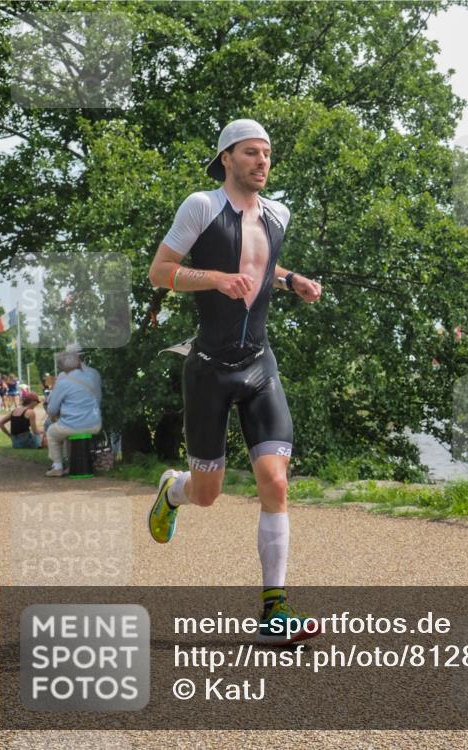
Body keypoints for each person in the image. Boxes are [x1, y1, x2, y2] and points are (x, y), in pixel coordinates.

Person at [147, 119, 322, 646]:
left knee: (275, 481)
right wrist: (215, 279)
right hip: (208, 369)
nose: (262, 162)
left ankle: (274, 612)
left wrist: (291, 280)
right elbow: (161, 271)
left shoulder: (279, 214)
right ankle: (172, 491)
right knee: (208, 494)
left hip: (258, 365)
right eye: (250, 153)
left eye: (267, 154)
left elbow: (261, 263)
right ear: (227, 158)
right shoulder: (201, 206)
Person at [44, 350, 102, 477]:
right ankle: (72, 465)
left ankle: (58, 466)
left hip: (74, 425)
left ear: (62, 367)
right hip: (95, 423)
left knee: (52, 432)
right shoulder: (90, 378)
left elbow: (52, 409)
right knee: (66, 431)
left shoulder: (63, 382)